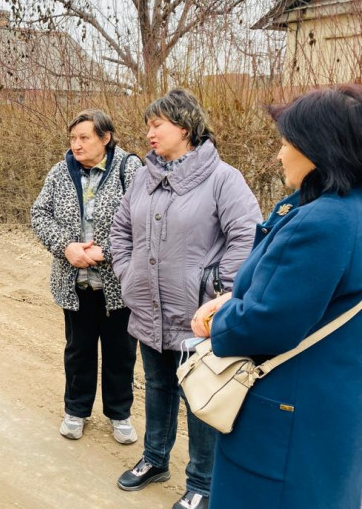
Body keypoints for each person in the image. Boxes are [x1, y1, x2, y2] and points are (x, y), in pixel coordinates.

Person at [191, 85, 362, 509]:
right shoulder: (350, 210)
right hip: (333, 407)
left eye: (286, 143)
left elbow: (265, 323)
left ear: (317, 148)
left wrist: (217, 321)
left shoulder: (322, 222)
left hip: (286, 420)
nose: (279, 155)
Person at [110, 88, 261, 509]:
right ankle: (155, 459)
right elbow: (120, 230)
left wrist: (218, 291)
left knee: (199, 397)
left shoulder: (223, 179)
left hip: (197, 317)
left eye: (157, 124)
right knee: (157, 386)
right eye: (148, 126)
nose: (149, 133)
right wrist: (128, 273)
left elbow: (248, 236)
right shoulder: (143, 177)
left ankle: (202, 483)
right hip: (148, 307)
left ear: (185, 126)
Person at [31, 109, 142, 444]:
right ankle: (76, 410)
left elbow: (145, 222)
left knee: (120, 353)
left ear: (105, 138)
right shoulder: (60, 172)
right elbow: (40, 214)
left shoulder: (130, 170)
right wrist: (66, 247)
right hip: (74, 284)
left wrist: (105, 252)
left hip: (118, 286)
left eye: (84, 138)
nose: (76, 145)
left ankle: (119, 414)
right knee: (78, 351)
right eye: (72, 138)